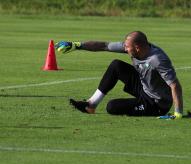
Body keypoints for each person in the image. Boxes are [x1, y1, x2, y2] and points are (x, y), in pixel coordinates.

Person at [55, 31, 183, 119]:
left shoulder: (157, 59)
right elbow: (104, 46)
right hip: (145, 87)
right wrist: (77, 45)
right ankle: (91, 104)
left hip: (156, 103)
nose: (125, 49)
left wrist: (178, 113)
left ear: (137, 47)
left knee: (112, 107)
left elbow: (175, 85)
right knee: (116, 65)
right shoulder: (135, 48)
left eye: (127, 47)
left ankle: (155, 109)